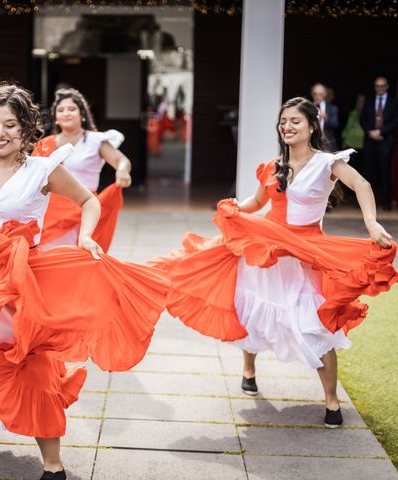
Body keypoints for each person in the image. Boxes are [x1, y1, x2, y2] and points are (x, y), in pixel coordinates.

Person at [0, 84, 168, 480]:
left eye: (10, 125)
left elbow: (89, 201)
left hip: (24, 279)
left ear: (26, 129)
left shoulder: (41, 170)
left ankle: (53, 465)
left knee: (30, 362)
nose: (0, 132)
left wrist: (85, 236)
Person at [150, 97, 397, 428]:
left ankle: (332, 401)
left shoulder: (329, 163)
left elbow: (362, 185)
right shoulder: (273, 167)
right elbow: (256, 202)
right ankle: (249, 370)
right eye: (283, 122)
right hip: (265, 250)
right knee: (253, 309)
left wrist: (371, 223)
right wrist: (234, 208)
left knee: (315, 324)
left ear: (312, 125)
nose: (288, 127)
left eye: (295, 121)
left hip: (305, 253)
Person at [32, 88, 132, 252]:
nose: (66, 113)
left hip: (83, 207)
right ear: (56, 118)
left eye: (72, 109)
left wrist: (122, 170)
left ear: (82, 115)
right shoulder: (44, 144)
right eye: (61, 110)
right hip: (50, 211)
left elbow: (121, 160)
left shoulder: (95, 140)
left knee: (75, 255)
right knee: (47, 254)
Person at [360, 76, 398, 210]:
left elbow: (395, 121)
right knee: (368, 171)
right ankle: (366, 203)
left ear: (387, 86)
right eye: (377, 86)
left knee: (385, 172)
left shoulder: (394, 102)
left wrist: (381, 132)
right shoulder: (369, 101)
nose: (380, 88)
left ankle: (386, 202)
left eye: (382, 86)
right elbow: (362, 119)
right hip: (370, 140)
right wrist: (370, 132)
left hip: (385, 141)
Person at [311, 83, 339, 149]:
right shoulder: (308, 107)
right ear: (312, 94)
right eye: (315, 94)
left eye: (320, 94)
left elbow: (335, 125)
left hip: (327, 143)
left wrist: (326, 118)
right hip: (311, 143)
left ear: (325, 95)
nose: (317, 97)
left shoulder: (332, 108)